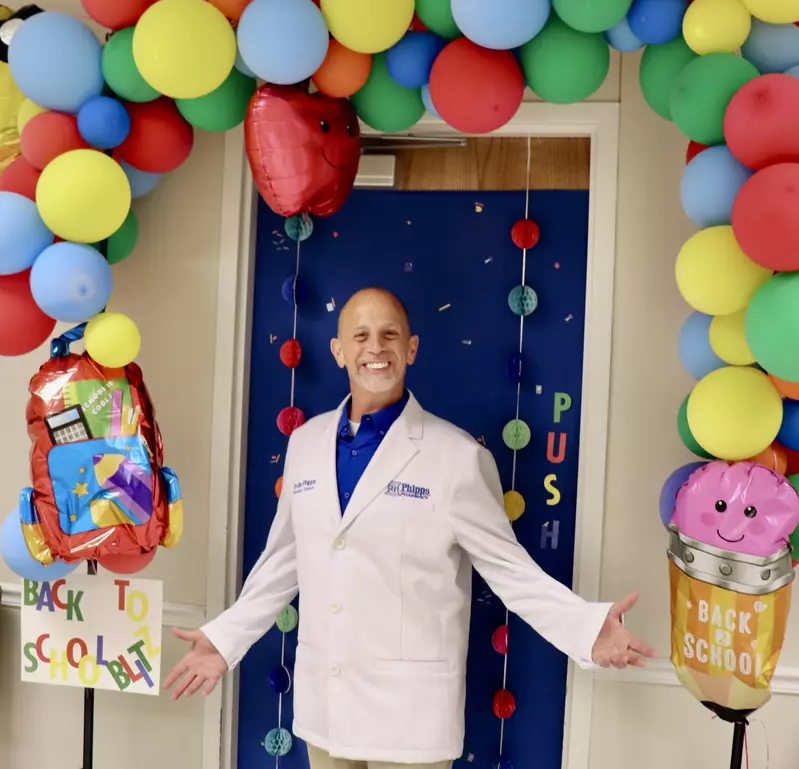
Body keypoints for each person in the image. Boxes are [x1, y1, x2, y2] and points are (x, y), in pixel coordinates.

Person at [165, 287, 656, 767]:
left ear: (410, 348)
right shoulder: (306, 444)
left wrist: (586, 630)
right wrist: (223, 639)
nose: (374, 348)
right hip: (326, 705)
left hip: (411, 718)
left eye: (389, 334)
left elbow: (511, 572)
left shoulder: (457, 458)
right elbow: (281, 563)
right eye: (359, 336)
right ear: (338, 352)